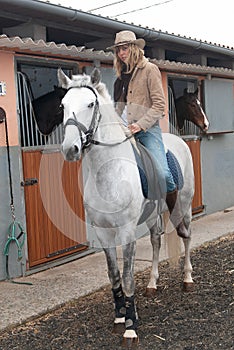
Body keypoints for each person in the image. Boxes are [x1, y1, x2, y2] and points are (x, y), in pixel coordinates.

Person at [107, 30, 189, 238]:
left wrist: (140, 125)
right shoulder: (119, 78)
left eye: (124, 48)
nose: (121, 53)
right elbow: (117, 109)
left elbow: (160, 106)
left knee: (163, 173)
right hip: (124, 131)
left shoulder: (150, 70)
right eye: (118, 50)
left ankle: (177, 219)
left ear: (134, 48)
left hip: (147, 129)